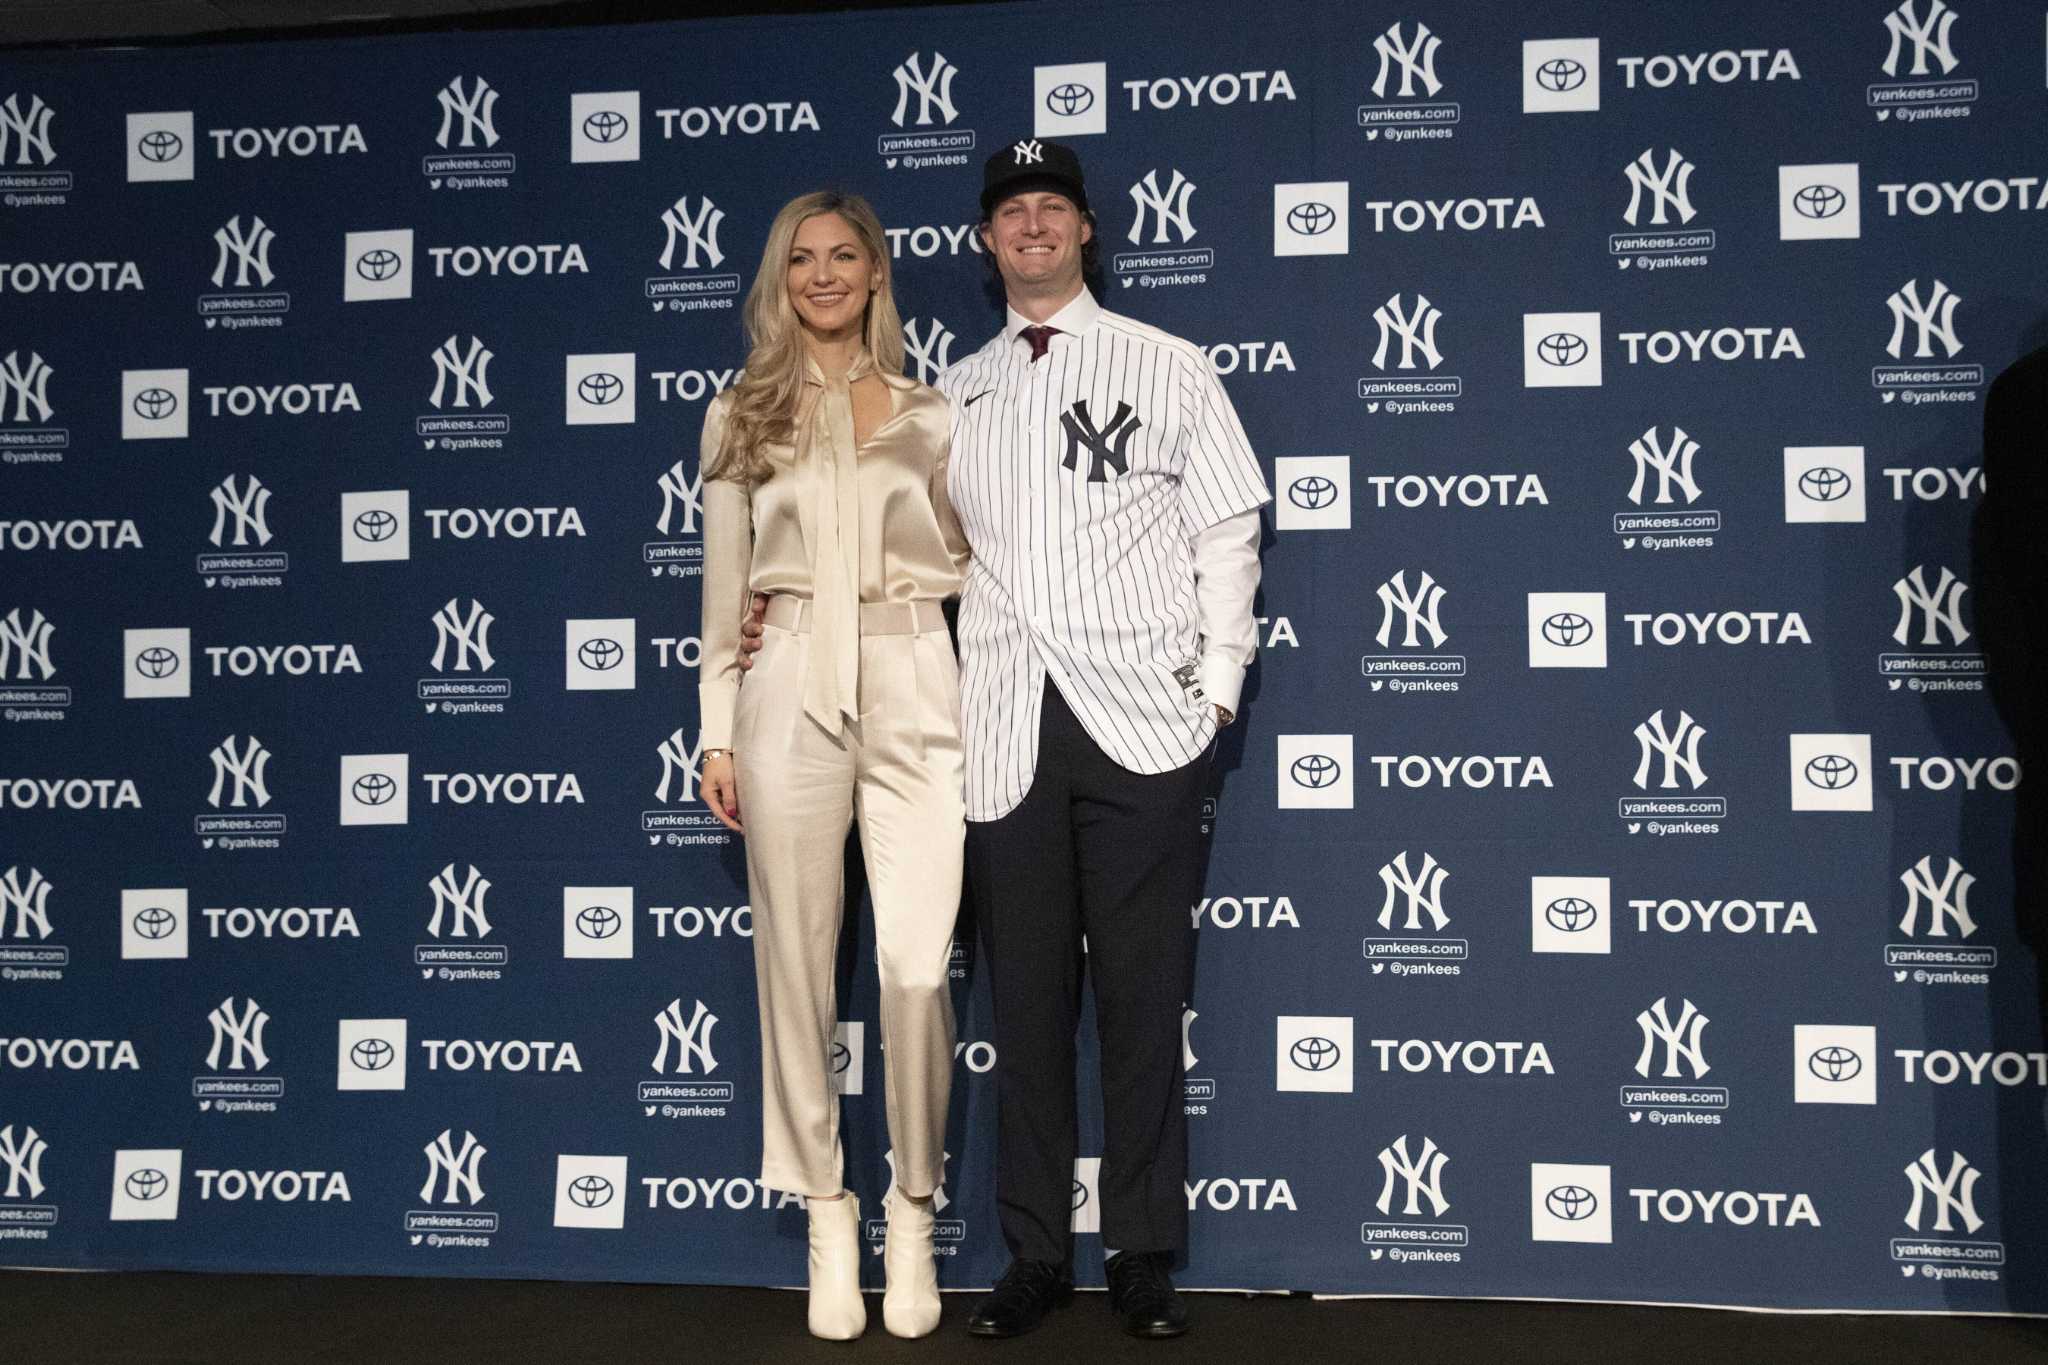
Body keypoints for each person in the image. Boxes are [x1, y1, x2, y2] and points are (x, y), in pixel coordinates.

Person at [944, 140, 1270, 1340]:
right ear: (985, 241)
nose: (1031, 227)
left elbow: (1227, 528)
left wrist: (1218, 688)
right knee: (1022, 1013)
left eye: (1052, 210)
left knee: (1142, 1003)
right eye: (1010, 212)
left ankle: (1141, 1250)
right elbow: (918, 552)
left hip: (1140, 720)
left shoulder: (1167, 366)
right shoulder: (956, 387)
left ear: (1086, 231)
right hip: (1000, 730)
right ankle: (1031, 1253)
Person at [696, 189, 968, 1341]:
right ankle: (824, 1210)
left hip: (915, 678)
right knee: (796, 975)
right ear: (779, 277)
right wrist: (715, 725)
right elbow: (723, 595)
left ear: (874, 270)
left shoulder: (935, 411)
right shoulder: (740, 412)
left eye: (840, 255)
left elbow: (984, 565)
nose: (819, 274)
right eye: (799, 257)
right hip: (787, 679)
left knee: (913, 968)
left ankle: (912, 1208)